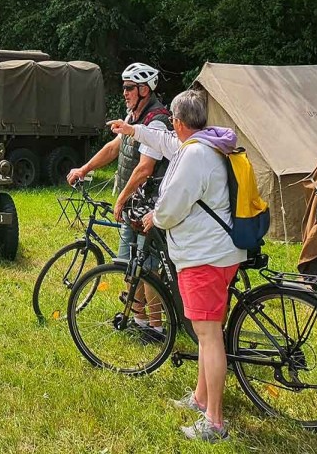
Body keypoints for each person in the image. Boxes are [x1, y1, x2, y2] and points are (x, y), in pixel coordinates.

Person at [110, 90, 244, 443]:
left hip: (205, 256)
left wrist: (155, 217)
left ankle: (214, 422)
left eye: (172, 120)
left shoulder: (195, 154)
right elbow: (166, 142)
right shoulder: (203, 144)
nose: (170, 125)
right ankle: (201, 399)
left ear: (179, 120)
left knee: (209, 336)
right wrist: (132, 130)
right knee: (205, 333)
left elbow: (172, 206)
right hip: (216, 252)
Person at [67, 63, 172, 334]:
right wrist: (84, 169)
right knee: (128, 265)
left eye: (129, 88)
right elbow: (115, 147)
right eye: (123, 87)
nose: (124, 92)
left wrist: (121, 197)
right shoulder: (133, 116)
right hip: (133, 205)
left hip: (149, 205)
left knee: (148, 270)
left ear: (144, 89)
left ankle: (157, 329)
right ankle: (138, 321)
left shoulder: (156, 120)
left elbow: (145, 167)